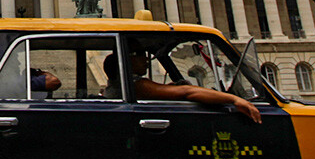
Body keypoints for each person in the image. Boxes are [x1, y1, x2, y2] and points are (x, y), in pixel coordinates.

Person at [106, 51, 262, 123]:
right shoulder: (138, 85)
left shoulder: (126, 84)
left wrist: (168, 89)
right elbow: (187, 93)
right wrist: (234, 99)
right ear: (127, 59)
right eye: (139, 54)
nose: (147, 58)